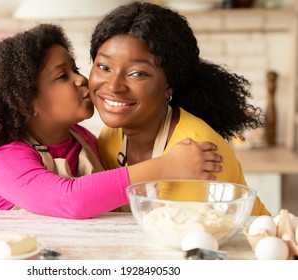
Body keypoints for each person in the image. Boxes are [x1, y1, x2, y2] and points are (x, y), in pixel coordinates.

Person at [0, 23, 223, 219]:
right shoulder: (8, 161)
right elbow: (73, 200)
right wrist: (167, 166)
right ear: (25, 103)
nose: (81, 79)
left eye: (75, 68)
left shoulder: (85, 141)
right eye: (62, 76)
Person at [88, 1, 270, 216]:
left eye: (138, 73)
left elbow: (203, 241)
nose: (113, 86)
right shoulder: (110, 137)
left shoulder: (200, 153)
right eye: (103, 67)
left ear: (169, 85)